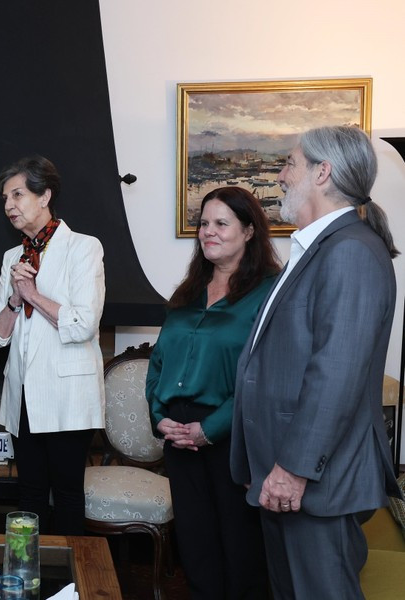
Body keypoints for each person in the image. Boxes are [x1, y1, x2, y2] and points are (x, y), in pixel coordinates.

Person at [231, 125, 401, 599]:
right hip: (287, 473)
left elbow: (336, 376)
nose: (281, 174)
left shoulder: (349, 252)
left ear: (322, 172)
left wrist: (292, 469)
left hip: (313, 481)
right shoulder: (319, 248)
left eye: (290, 163)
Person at [147, 186, 279, 598]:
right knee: (196, 548)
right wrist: (159, 417)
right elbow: (158, 365)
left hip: (233, 439)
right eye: (204, 223)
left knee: (241, 553)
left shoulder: (270, 294)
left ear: (249, 231)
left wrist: (210, 429)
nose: (208, 232)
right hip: (178, 439)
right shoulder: (187, 294)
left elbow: (267, 378)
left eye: (221, 223)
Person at [0, 155, 104, 535]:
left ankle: (71, 588)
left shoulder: (84, 248)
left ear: (44, 195)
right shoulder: (11, 257)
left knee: (67, 495)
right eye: (5, 198)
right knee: (30, 494)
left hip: (68, 395)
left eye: (17, 195)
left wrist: (32, 294)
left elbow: (83, 323)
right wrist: (14, 301)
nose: (9, 206)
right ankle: (26, 579)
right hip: (23, 397)